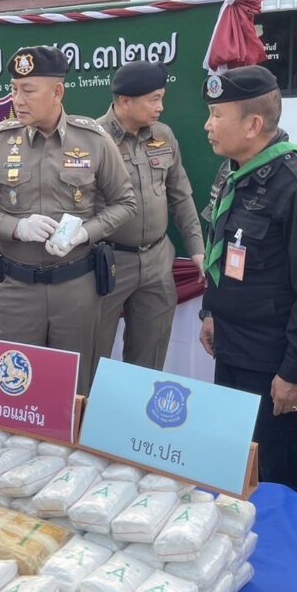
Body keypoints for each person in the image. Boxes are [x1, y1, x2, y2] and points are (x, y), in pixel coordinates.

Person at [0, 45, 136, 395]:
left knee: (70, 390)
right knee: (15, 388)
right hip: (16, 290)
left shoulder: (93, 140)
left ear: (57, 92)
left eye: (28, 90)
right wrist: (16, 227)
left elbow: (125, 203)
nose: (17, 100)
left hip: (76, 289)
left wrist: (86, 232)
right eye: (14, 89)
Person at [198, 66, 297, 498]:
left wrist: (294, 371)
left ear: (253, 124)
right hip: (232, 348)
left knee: (285, 477)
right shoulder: (234, 174)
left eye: (217, 115)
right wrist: (210, 312)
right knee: (239, 467)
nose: (207, 125)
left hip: (273, 362)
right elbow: (223, 249)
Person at [93, 60, 204, 374]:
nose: (160, 107)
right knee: (93, 356)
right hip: (107, 263)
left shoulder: (163, 135)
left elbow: (180, 195)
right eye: (154, 99)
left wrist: (197, 249)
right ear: (125, 101)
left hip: (157, 261)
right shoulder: (93, 139)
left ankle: (136, 406)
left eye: (162, 98)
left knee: (148, 363)